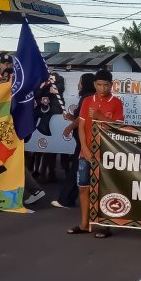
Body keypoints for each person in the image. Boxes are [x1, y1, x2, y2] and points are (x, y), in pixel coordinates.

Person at [69, 69, 124, 238]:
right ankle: (85, 224)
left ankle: (104, 224)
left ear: (111, 85)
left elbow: (118, 127)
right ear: (94, 84)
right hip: (86, 152)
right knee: (84, 188)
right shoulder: (87, 101)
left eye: (106, 85)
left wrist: (100, 116)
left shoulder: (117, 102)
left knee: (103, 189)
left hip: (106, 153)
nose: (102, 88)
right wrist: (84, 150)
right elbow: (81, 127)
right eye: (99, 85)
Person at [52, 73, 96, 209]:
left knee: (76, 169)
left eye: (80, 82)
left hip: (84, 140)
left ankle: (66, 199)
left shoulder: (87, 97)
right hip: (83, 139)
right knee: (78, 168)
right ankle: (69, 198)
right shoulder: (87, 97)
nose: (78, 84)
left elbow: (82, 119)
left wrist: (70, 127)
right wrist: (71, 117)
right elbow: (79, 117)